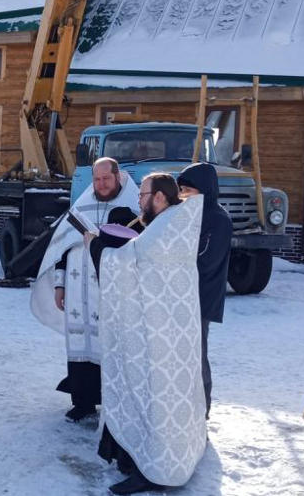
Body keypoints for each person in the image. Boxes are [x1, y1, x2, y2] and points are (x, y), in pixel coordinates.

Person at [87, 173, 207, 495]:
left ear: (159, 197)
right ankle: (159, 459)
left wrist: (95, 246)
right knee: (169, 402)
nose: (138, 201)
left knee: (156, 400)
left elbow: (130, 262)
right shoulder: (175, 222)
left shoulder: (166, 227)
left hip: (160, 339)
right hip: (171, 332)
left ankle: (156, 470)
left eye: (142, 195)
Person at [30, 157, 141, 422]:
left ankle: (115, 402)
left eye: (106, 179)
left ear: (118, 177)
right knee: (80, 342)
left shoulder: (134, 206)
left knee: (110, 346)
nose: (101, 184)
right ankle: (82, 402)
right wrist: (59, 285)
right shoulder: (82, 206)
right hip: (77, 290)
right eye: (97, 179)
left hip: (111, 291)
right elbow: (61, 249)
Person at [177, 163, 232, 418]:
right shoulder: (186, 214)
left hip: (201, 297)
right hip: (180, 294)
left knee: (196, 354)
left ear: (204, 190)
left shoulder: (218, 219)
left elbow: (206, 260)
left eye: (188, 190)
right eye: (181, 190)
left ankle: (202, 409)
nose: (183, 195)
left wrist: (174, 262)